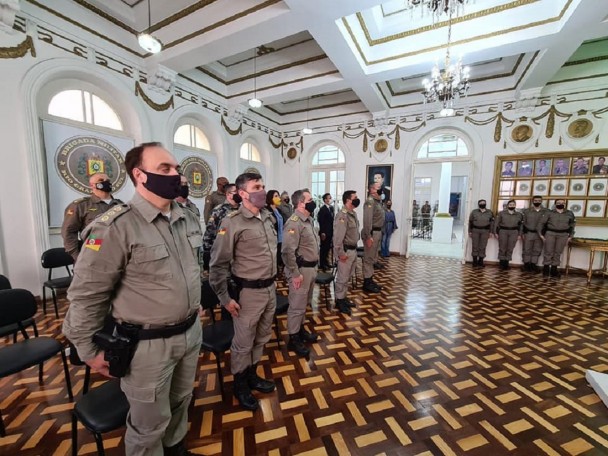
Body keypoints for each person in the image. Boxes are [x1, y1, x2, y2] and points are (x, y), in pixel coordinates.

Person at [63, 142, 203, 456]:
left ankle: (175, 449)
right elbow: (86, 295)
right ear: (139, 175)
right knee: (148, 425)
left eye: (176, 168)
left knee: (181, 402)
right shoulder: (115, 226)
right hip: (147, 345)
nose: (175, 174)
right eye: (165, 168)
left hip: (191, 332)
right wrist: (87, 351)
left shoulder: (186, 217)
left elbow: (192, 267)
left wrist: (194, 302)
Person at [209, 172, 277, 411]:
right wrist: (225, 299)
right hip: (248, 293)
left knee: (262, 337)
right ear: (242, 193)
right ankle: (240, 384)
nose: (262, 190)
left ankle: (252, 374)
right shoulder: (232, 221)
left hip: (270, 288)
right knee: (243, 343)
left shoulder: (267, 217)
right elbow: (217, 265)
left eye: (263, 185)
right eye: (257, 186)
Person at [282, 189, 320, 357]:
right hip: (300, 270)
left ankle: (300, 330)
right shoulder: (294, 222)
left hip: (310, 269)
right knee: (296, 306)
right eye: (310, 199)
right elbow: (287, 252)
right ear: (301, 203)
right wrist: (295, 274)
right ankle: (293, 338)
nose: (313, 201)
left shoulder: (308, 220)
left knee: (304, 303)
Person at [61, 172, 123, 261]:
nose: (106, 182)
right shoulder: (81, 205)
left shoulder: (120, 205)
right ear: (92, 185)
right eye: (101, 180)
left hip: (119, 255)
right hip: (93, 254)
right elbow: (68, 232)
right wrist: (78, 257)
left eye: (108, 180)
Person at [333, 191, 360, 315]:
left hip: (353, 250)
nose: (357, 199)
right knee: (342, 278)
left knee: (347, 277)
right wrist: (340, 253)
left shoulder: (352, 214)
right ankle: (339, 300)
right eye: (355, 198)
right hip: (346, 251)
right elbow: (338, 238)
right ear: (348, 200)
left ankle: (343, 297)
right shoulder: (342, 216)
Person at [202, 183, 239, 273]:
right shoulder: (219, 210)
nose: (238, 194)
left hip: (240, 255)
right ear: (228, 194)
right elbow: (210, 233)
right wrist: (208, 255)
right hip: (223, 254)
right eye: (235, 192)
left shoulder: (243, 210)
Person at [537, 198, 576, 277]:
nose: (560, 204)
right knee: (548, 251)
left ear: (564, 204)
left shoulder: (569, 213)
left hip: (563, 235)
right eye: (558, 203)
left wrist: (570, 236)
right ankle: (546, 269)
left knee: (558, 252)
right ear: (555, 204)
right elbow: (541, 223)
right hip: (550, 233)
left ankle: (554, 269)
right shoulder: (549, 213)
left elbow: (572, 225)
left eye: (562, 202)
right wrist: (540, 234)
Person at [361, 182, 384, 293]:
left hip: (377, 232)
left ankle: (370, 279)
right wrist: (368, 236)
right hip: (372, 233)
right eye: (377, 188)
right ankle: (367, 282)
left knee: (373, 258)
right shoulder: (369, 202)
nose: (380, 190)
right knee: (368, 259)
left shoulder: (377, 202)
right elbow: (367, 221)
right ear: (371, 190)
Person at [494, 200, 523, 270]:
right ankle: (501, 263)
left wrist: (520, 234)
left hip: (514, 232)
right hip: (503, 231)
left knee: (510, 248)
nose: (512, 206)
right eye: (510, 204)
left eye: (513, 204)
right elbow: (496, 223)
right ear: (507, 205)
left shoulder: (519, 215)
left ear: (515, 205)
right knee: (502, 247)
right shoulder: (502, 213)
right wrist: (495, 232)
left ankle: (506, 263)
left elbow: (521, 225)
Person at [521, 195, 548, 272]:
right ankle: (526, 264)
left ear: (541, 201)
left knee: (537, 250)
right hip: (529, 233)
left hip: (540, 234)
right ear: (532, 201)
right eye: (535, 201)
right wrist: (522, 233)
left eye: (539, 201)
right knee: (527, 249)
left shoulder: (546, 211)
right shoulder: (527, 211)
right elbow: (523, 223)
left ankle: (533, 264)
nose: (537, 202)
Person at [468, 199, 494, 268]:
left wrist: (491, 232)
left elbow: (492, 223)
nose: (482, 204)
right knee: (475, 245)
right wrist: (470, 231)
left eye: (484, 203)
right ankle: (474, 261)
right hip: (475, 230)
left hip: (485, 231)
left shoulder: (489, 212)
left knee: (483, 246)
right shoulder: (474, 212)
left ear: (485, 204)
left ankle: (481, 261)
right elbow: (470, 222)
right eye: (481, 203)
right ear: (478, 204)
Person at [266, 189, 285, 268]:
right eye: (276, 196)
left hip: (280, 238)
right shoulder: (267, 210)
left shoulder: (279, 210)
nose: (279, 198)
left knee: (278, 257)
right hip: (272, 238)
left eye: (279, 196)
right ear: (271, 198)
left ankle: (277, 272)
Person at [317, 193, 334, 271]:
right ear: (324, 200)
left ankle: (326, 262)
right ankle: (322, 264)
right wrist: (322, 232)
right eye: (328, 198)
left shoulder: (331, 208)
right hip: (324, 232)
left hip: (330, 231)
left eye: (330, 198)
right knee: (323, 248)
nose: (329, 200)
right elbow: (321, 221)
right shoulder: (322, 209)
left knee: (328, 248)